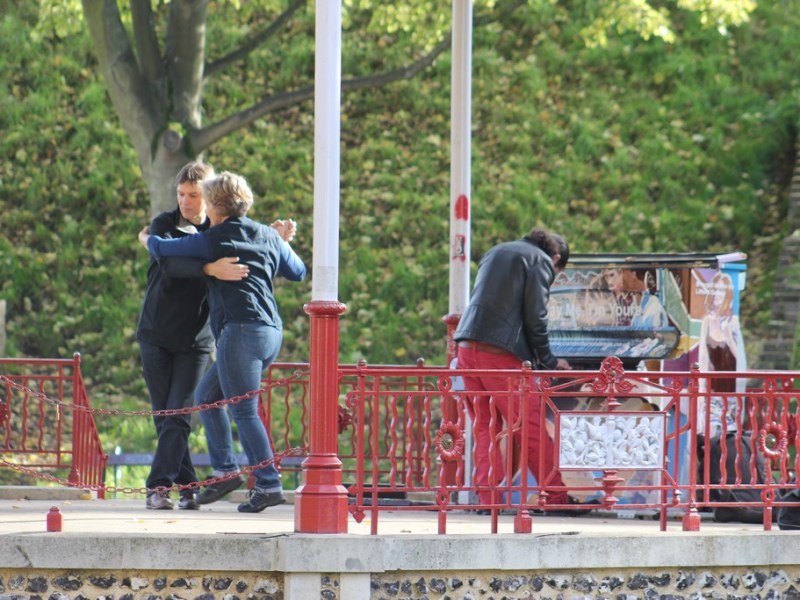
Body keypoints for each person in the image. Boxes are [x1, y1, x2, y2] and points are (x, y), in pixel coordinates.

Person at [138, 171, 306, 513]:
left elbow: (162, 249)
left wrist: (146, 238)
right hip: (271, 332)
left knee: (243, 410)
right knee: (207, 397)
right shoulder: (266, 234)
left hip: (240, 332)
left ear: (214, 206)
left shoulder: (213, 238)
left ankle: (267, 483)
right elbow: (298, 271)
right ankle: (226, 471)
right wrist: (278, 241)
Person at [137, 161, 251, 511]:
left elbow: (251, 246)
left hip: (197, 341)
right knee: (166, 416)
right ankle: (187, 489)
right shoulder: (163, 224)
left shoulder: (218, 231)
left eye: (193, 195)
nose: (185, 201)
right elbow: (169, 264)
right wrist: (208, 268)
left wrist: (276, 235)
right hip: (155, 332)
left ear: (210, 197)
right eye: (181, 194)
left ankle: (157, 488)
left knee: (178, 413)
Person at [454, 228, 575, 511]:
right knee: (529, 426)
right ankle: (555, 498)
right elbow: (536, 317)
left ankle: (487, 500)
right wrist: (549, 361)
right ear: (556, 258)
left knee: (485, 426)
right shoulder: (540, 261)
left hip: (467, 349)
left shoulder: (496, 251)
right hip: (499, 355)